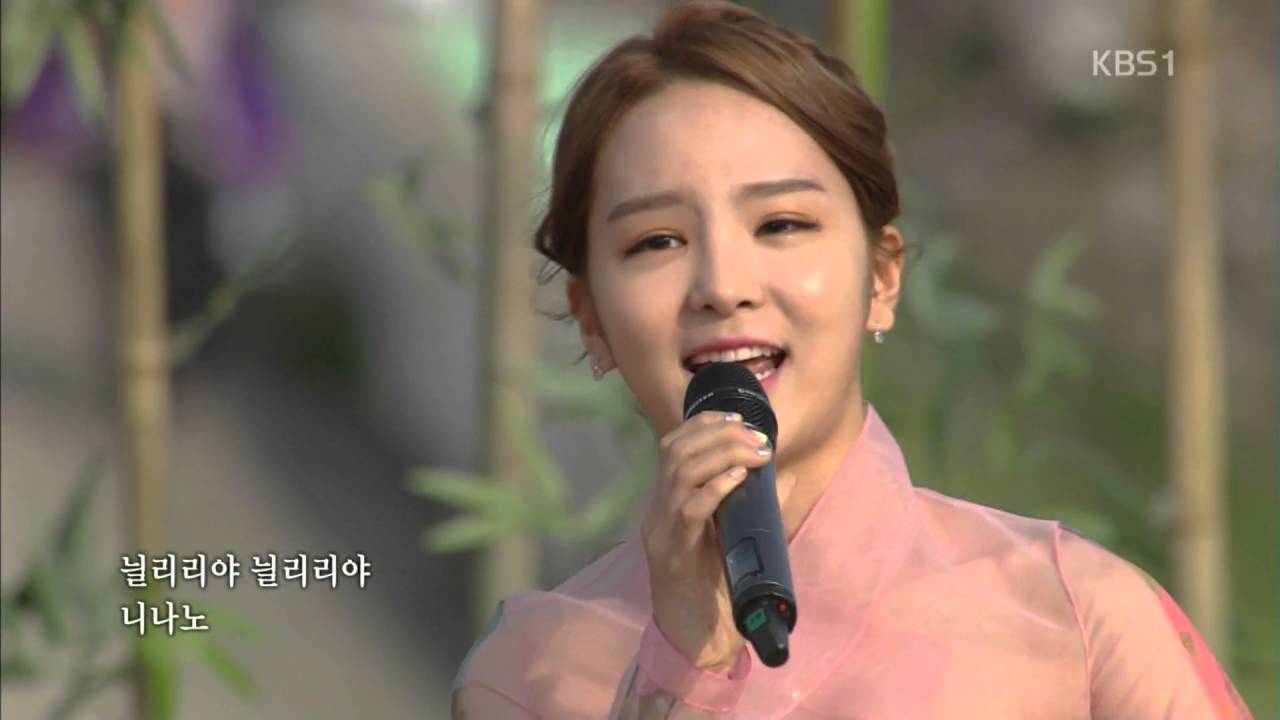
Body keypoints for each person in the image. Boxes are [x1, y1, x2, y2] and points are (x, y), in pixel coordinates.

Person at [450, 2, 1254, 718]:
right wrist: (680, 664)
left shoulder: (1076, 616)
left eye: (782, 225)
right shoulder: (529, 672)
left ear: (881, 276)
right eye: (658, 241)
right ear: (592, 319)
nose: (723, 286)